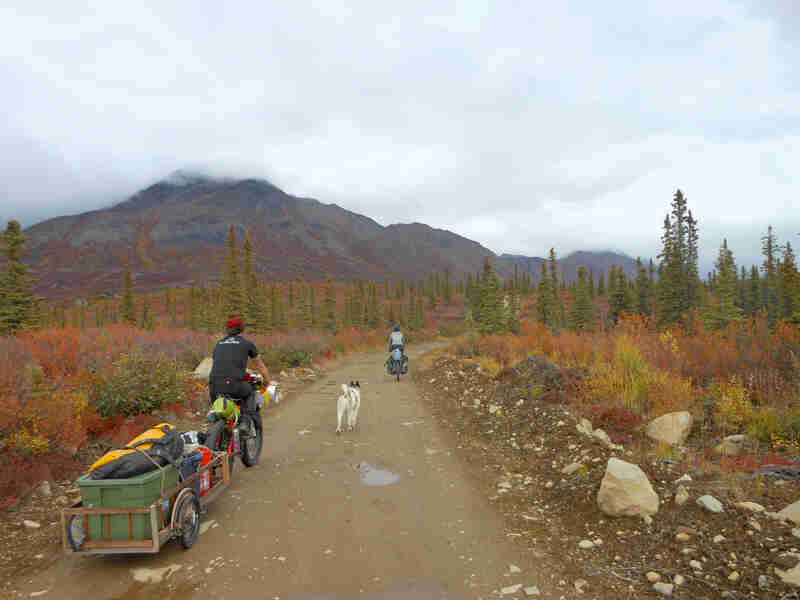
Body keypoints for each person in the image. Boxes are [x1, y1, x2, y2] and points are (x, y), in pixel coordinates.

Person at [208, 317, 270, 409]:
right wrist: (266, 380)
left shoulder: (219, 343)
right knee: (251, 392)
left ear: (227, 329)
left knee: (218, 409)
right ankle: (251, 418)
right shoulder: (247, 343)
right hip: (234, 385)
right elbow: (260, 365)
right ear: (242, 329)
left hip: (213, 387)